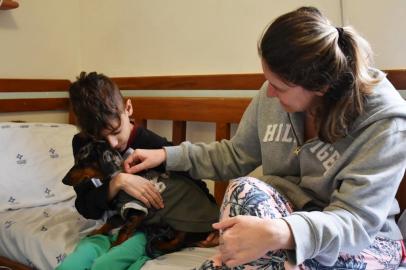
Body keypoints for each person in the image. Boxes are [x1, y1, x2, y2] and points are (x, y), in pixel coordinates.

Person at [124, 6, 406, 270]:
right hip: (287, 220)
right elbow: (236, 155)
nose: (269, 93)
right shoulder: (275, 94)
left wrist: (282, 232)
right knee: (244, 190)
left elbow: (355, 222)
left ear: (320, 86)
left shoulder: (385, 123)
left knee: (275, 259)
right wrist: (166, 155)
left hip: (364, 241)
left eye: (279, 87)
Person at [57, 72, 218, 270]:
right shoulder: (84, 145)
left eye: (116, 132)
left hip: (146, 228)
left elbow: (194, 183)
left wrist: (212, 227)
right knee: (70, 266)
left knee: (108, 265)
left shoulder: (153, 146)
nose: (112, 144)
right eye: (100, 137)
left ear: (129, 108)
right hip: (106, 226)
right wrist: (118, 182)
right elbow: (85, 205)